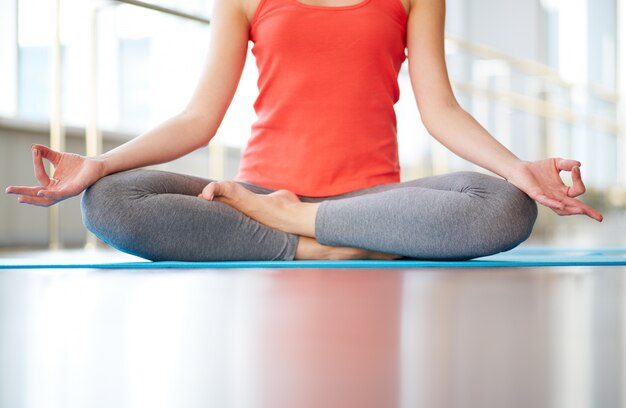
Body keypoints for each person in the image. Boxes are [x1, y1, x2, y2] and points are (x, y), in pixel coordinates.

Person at [5, 0, 603, 262]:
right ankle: (328, 244)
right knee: (108, 202)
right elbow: (198, 119)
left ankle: (308, 228)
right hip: (257, 200)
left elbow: (440, 109)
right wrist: (101, 164)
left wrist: (518, 170)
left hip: (369, 202)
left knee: (504, 205)